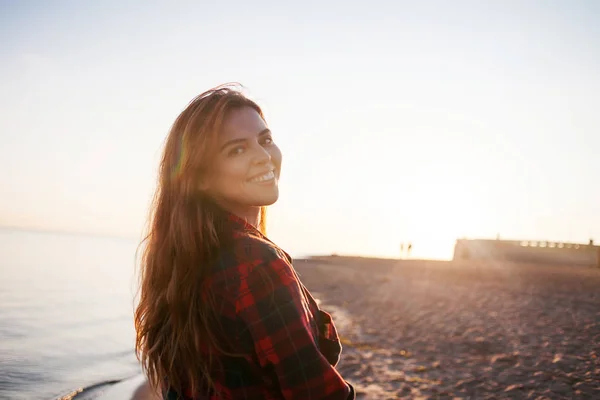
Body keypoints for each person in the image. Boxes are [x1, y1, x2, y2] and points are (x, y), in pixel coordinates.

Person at [134, 84, 355, 399]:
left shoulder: (181, 262)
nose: (264, 156)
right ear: (200, 177)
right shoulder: (256, 262)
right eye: (237, 149)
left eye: (265, 140)